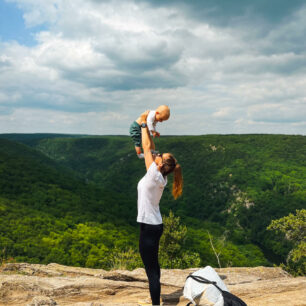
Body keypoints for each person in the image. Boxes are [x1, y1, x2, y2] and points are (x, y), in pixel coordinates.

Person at [137, 112, 183, 306]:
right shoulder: (160, 175)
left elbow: (147, 148)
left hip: (149, 227)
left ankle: (156, 303)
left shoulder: (153, 175)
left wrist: (143, 124)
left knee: (151, 270)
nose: (157, 155)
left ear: (161, 165)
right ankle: (156, 297)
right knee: (154, 265)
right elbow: (151, 151)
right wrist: (149, 128)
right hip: (155, 225)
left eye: (160, 157)